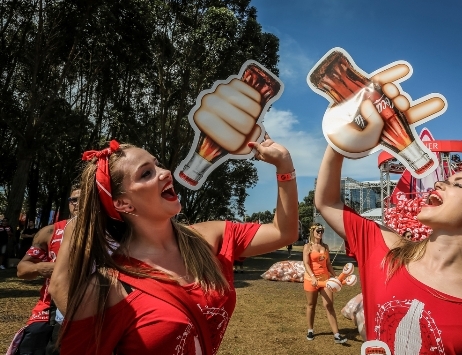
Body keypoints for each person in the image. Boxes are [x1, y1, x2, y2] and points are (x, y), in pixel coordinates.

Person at [49, 138, 298, 354]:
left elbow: (283, 232)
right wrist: (85, 217)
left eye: (156, 164)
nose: (165, 171)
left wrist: (284, 165)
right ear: (123, 204)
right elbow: (62, 289)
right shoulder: (110, 287)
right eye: (146, 173)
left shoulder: (209, 237)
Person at [314, 145, 462, 355]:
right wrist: (339, 142)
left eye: (458, 184)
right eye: (446, 180)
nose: (439, 183)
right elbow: (328, 202)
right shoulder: (384, 251)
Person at [6, 187, 80, 355]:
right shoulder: (50, 231)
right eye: (73, 200)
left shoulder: (106, 232)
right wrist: (40, 267)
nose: (78, 204)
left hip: (88, 308)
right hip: (48, 308)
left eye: (83, 199)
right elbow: (22, 269)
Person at [302, 223, 347, 344]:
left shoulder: (325, 246)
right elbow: (306, 263)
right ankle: (310, 330)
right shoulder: (308, 246)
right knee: (311, 305)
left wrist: (335, 276)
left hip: (325, 278)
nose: (320, 233)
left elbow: (328, 264)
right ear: (313, 232)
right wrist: (312, 277)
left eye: (322, 231)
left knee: (329, 305)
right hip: (311, 279)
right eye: (318, 231)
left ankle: (337, 335)